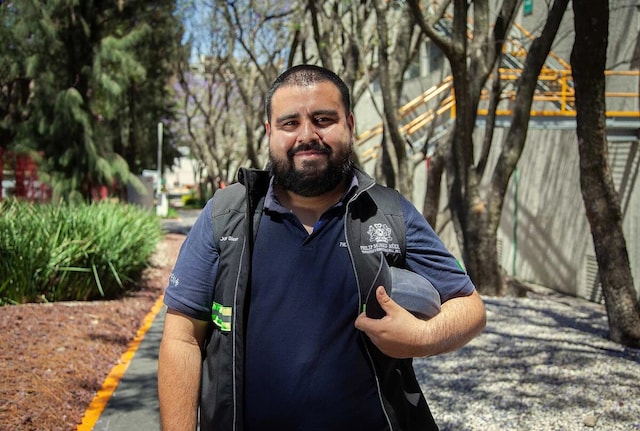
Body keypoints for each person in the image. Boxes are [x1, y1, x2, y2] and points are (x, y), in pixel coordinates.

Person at [158, 64, 486, 431]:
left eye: (323, 119)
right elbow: (182, 338)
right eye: (289, 123)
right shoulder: (226, 215)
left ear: (349, 123)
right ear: (270, 132)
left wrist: (423, 337)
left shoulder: (390, 212)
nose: (307, 135)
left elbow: (470, 306)